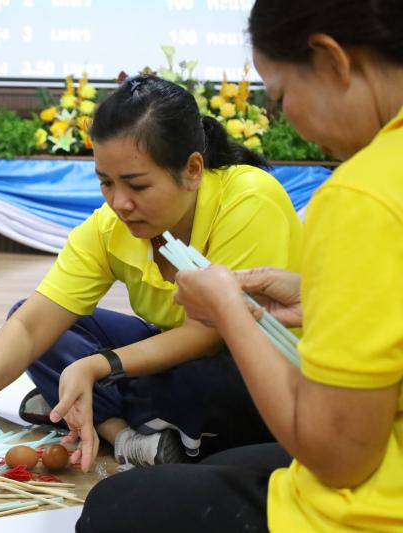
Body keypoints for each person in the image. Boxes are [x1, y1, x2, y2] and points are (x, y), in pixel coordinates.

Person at [77, 0, 403, 531]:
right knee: (220, 462)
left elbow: (340, 458)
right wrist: (317, 298)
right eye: (106, 184)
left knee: (113, 506)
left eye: (281, 97)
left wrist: (228, 310)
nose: (120, 203)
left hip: (375, 501)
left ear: (332, 59)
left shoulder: (359, 195)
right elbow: (36, 318)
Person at [0, 74, 303, 471]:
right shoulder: (110, 227)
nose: (120, 202)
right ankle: (126, 435)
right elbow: (30, 326)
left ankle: (98, 408)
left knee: (204, 381)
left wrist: (98, 365)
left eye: (137, 186)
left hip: (257, 373)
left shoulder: (249, 199)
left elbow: (210, 333)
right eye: (106, 183)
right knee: (38, 327)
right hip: (175, 367)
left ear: (193, 169)